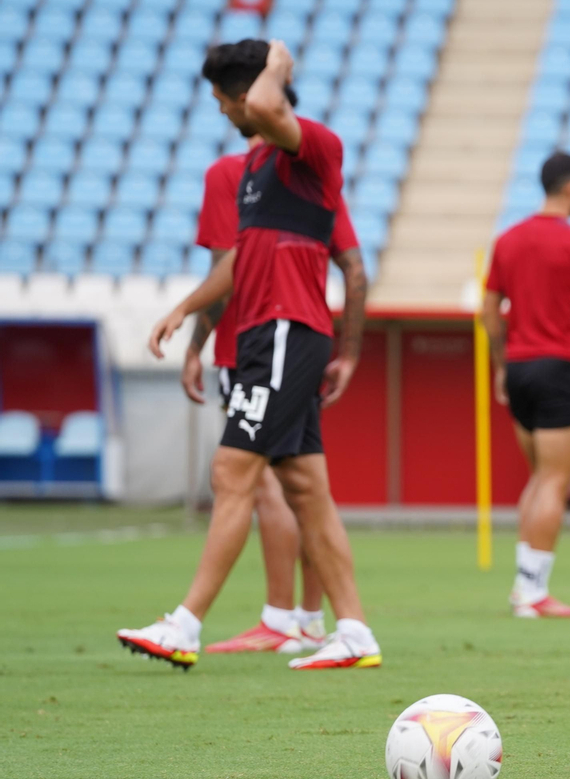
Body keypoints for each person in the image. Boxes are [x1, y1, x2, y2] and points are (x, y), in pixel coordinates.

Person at [118, 39, 380, 671]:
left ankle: (184, 626)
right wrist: (186, 311)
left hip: (286, 331)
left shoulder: (316, 148)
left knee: (231, 472)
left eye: (222, 99)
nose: (222, 111)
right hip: (272, 332)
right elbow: (237, 264)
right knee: (305, 488)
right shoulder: (257, 171)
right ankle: (354, 633)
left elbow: (266, 105)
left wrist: (277, 64)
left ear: (246, 94)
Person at [183, 124, 327, 654]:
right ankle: (311, 618)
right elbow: (351, 266)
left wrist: (194, 342)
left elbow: (228, 265)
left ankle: (279, 619)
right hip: (305, 340)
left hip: (253, 347)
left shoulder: (232, 173)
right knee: (304, 482)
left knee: (260, 482)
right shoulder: (315, 175)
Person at [479, 151, 570, 619]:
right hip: (561, 366)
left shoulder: (507, 240)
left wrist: (500, 367)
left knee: (539, 478)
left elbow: (488, 312)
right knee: (554, 481)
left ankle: (525, 587)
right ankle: (532, 592)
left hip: (518, 368)